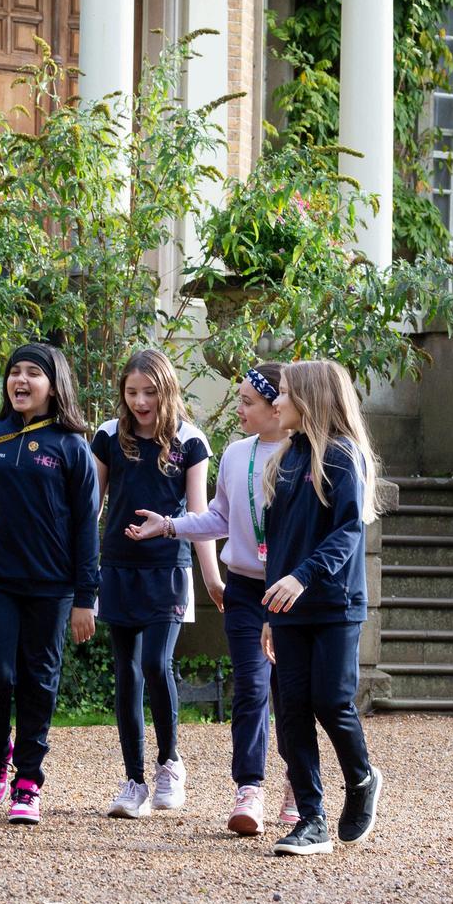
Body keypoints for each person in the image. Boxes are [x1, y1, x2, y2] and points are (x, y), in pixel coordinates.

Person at [128, 361, 300, 837]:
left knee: (291, 692)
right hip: (245, 587)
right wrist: (169, 525)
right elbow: (219, 517)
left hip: (292, 591)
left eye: (247, 402)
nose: (238, 409)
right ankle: (249, 788)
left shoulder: (306, 456)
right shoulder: (237, 455)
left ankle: (297, 779)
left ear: (276, 407)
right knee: (250, 686)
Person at [0, 342, 99, 826]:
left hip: (53, 583)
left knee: (39, 680)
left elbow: (87, 527)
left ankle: (28, 781)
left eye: (33, 373)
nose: (20, 380)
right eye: (14, 372)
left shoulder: (73, 446)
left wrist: (86, 597)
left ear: (54, 385)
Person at [256, 359, 384, 856]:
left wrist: (303, 577)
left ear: (310, 399)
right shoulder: (285, 458)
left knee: (330, 701)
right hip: (289, 610)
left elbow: (348, 531)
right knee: (291, 712)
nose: (276, 401)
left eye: (285, 393)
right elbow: (279, 544)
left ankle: (362, 777)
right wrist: (272, 611)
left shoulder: (342, 455)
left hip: (334, 604)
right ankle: (312, 820)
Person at [89, 350, 219, 819]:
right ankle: (134, 781)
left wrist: (213, 578)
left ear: (167, 391)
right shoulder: (108, 435)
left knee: (155, 663)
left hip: (168, 568)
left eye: (149, 392)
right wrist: (80, 567)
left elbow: (201, 516)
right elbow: (92, 507)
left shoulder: (190, 441)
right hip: (118, 568)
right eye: (132, 392)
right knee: (127, 671)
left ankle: (170, 763)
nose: (140, 401)